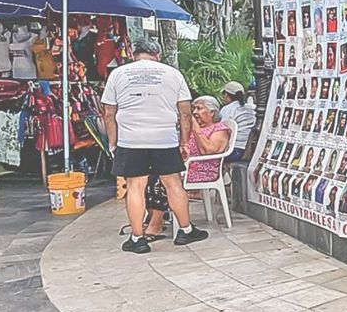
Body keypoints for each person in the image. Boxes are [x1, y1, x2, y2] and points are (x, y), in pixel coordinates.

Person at [102, 38, 209, 254]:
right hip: (164, 138)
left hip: (131, 140)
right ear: (157, 54)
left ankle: (137, 238)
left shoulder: (118, 74)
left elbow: (108, 114)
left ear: (133, 53)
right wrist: (184, 142)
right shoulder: (172, 74)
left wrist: (113, 143)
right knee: (173, 184)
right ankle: (186, 230)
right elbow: (185, 113)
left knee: (135, 187)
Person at [220, 81, 256, 162]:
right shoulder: (251, 108)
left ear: (226, 95)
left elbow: (221, 130)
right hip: (247, 150)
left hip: (233, 151)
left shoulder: (227, 109)